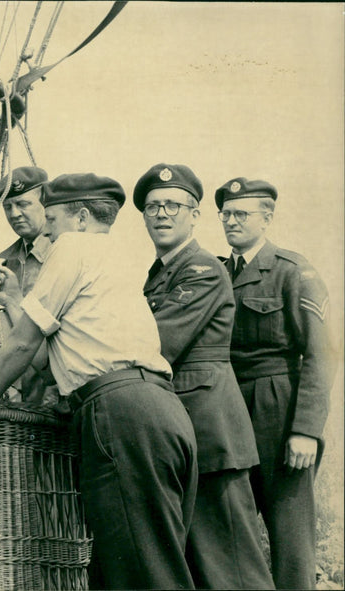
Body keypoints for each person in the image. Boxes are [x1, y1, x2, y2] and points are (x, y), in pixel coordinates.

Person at [0, 173, 198, 590]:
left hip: (118, 415)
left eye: (52, 219)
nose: (46, 229)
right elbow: (52, 357)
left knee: (144, 573)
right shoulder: (117, 259)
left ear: (81, 217)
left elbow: (24, 343)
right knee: (139, 563)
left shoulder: (73, 247)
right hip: (158, 411)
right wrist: (14, 299)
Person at [133, 164, 273, 589]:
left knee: (233, 567)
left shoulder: (202, 270)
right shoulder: (158, 274)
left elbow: (156, 339)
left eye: (173, 205)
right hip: (182, 433)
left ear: (194, 215)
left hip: (212, 436)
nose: (161, 214)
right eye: (153, 207)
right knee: (198, 566)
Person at [216, 177, 335, 589]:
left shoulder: (293, 270)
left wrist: (305, 430)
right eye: (226, 214)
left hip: (277, 406)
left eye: (241, 214)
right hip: (226, 407)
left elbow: (322, 354)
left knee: (289, 531)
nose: (231, 221)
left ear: (267, 218)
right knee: (231, 527)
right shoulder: (214, 273)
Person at [0, 166, 59, 406]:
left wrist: (12, 299)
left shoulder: (60, 254)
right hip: (15, 395)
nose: (14, 214)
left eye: (23, 204)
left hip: (52, 394)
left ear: (45, 204)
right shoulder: (7, 261)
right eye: (7, 207)